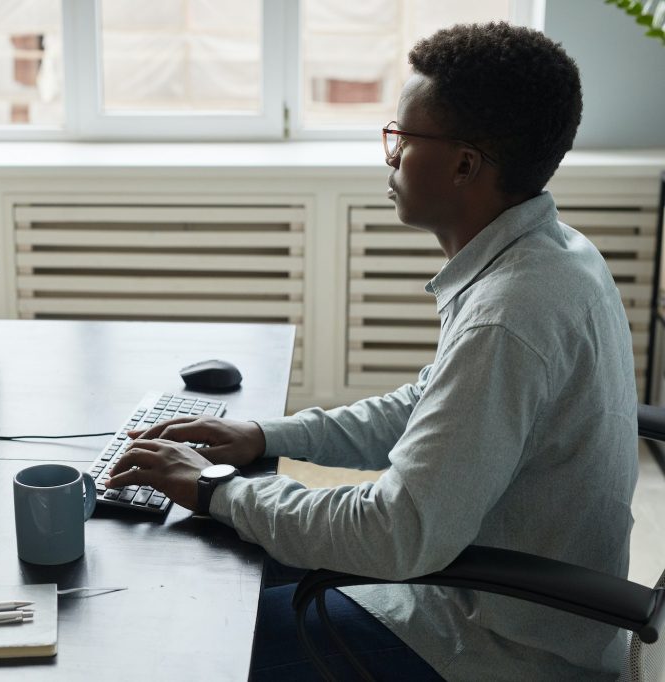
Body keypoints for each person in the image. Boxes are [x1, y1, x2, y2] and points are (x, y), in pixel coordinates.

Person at [105, 21, 638, 681]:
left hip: (496, 646)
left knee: (190, 634)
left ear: (465, 163)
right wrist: (260, 437)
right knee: (219, 550)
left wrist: (215, 487)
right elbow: (426, 408)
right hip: (478, 592)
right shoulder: (553, 253)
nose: (389, 157)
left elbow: (396, 530)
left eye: (403, 138)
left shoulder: (509, 316)